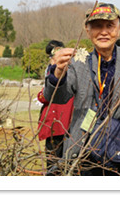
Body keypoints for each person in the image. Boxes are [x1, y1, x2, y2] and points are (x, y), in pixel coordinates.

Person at [43, 2, 120, 175]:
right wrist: (57, 73)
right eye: (97, 26)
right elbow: (57, 97)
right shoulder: (78, 62)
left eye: (109, 26)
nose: (104, 32)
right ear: (88, 31)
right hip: (82, 150)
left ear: (118, 29)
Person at [36, 40, 74, 175]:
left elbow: (45, 96)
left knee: (55, 164)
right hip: (60, 123)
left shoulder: (64, 71)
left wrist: (41, 95)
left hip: (58, 122)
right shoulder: (56, 70)